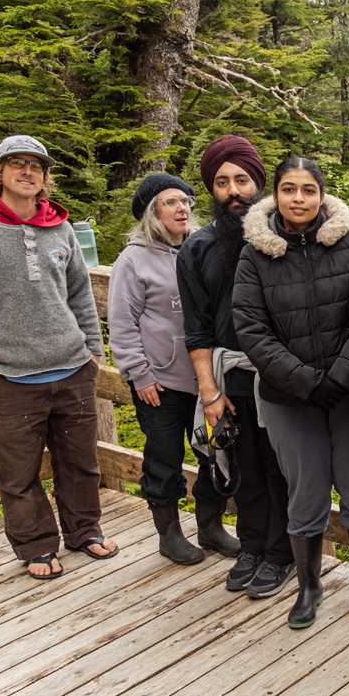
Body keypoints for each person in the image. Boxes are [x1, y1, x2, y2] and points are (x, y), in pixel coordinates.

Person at [0, 135, 114, 579]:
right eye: (17, 163)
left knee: (80, 463)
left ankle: (84, 531)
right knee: (18, 475)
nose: (27, 171)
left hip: (72, 367)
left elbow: (80, 294)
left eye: (36, 165)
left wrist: (93, 351)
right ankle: (37, 546)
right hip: (10, 377)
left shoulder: (61, 228)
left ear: (44, 176)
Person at [233, 157, 349, 629]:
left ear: (321, 195)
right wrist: (305, 380)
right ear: (275, 195)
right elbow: (251, 329)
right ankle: (309, 587)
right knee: (305, 493)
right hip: (288, 398)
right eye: (288, 189)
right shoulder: (254, 254)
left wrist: (338, 378)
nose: (298, 198)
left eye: (307, 189)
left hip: (346, 395)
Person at [176, 135, 291, 597]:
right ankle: (253, 546)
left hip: (281, 376)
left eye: (242, 180)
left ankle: (282, 554)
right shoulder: (197, 248)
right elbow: (197, 328)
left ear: (259, 184)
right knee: (241, 466)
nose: (233, 191)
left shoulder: (285, 236)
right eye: (221, 182)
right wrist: (209, 393)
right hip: (228, 376)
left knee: (280, 467)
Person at [108, 174, 239, 566]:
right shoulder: (133, 260)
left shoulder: (202, 250)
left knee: (215, 455)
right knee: (163, 458)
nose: (183, 208)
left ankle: (210, 527)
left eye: (186, 201)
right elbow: (122, 322)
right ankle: (169, 534)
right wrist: (139, 374)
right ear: (152, 212)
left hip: (208, 379)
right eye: (171, 202)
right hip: (160, 384)